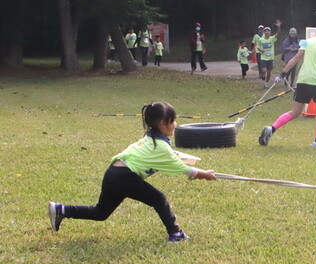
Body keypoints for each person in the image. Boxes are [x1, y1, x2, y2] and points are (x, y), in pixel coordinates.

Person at [47, 102, 216, 243]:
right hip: (124, 177)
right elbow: (186, 170)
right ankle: (176, 233)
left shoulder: (150, 138)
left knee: (101, 213)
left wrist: (197, 170)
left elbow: (173, 158)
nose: (175, 124)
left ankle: (62, 209)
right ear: (163, 123)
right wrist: (204, 174)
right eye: (173, 121)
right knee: (159, 199)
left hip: (114, 173)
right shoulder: (160, 147)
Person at [258, 19, 316, 148]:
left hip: (302, 80)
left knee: (295, 112)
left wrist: (283, 73)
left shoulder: (309, 41)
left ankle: (271, 129)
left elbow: (296, 58)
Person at [256, 21, 282, 88]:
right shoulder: (261, 39)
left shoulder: (272, 39)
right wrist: (260, 49)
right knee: (264, 70)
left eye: (268, 31)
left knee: (269, 73)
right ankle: (262, 74)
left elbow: (278, 34)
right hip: (263, 58)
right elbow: (257, 46)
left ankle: (266, 84)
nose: (267, 32)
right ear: (264, 32)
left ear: (270, 32)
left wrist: (278, 27)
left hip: (270, 58)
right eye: (266, 31)